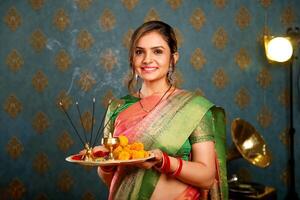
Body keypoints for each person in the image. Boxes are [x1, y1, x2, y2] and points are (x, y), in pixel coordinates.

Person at [96, 20, 228, 200]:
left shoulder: (194, 108)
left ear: (173, 58)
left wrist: (164, 161)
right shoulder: (117, 107)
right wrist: (105, 163)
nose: (147, 59)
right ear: (132, 58)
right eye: (139, 52)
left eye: (157, 51)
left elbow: (207, 178)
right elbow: (111, 179)